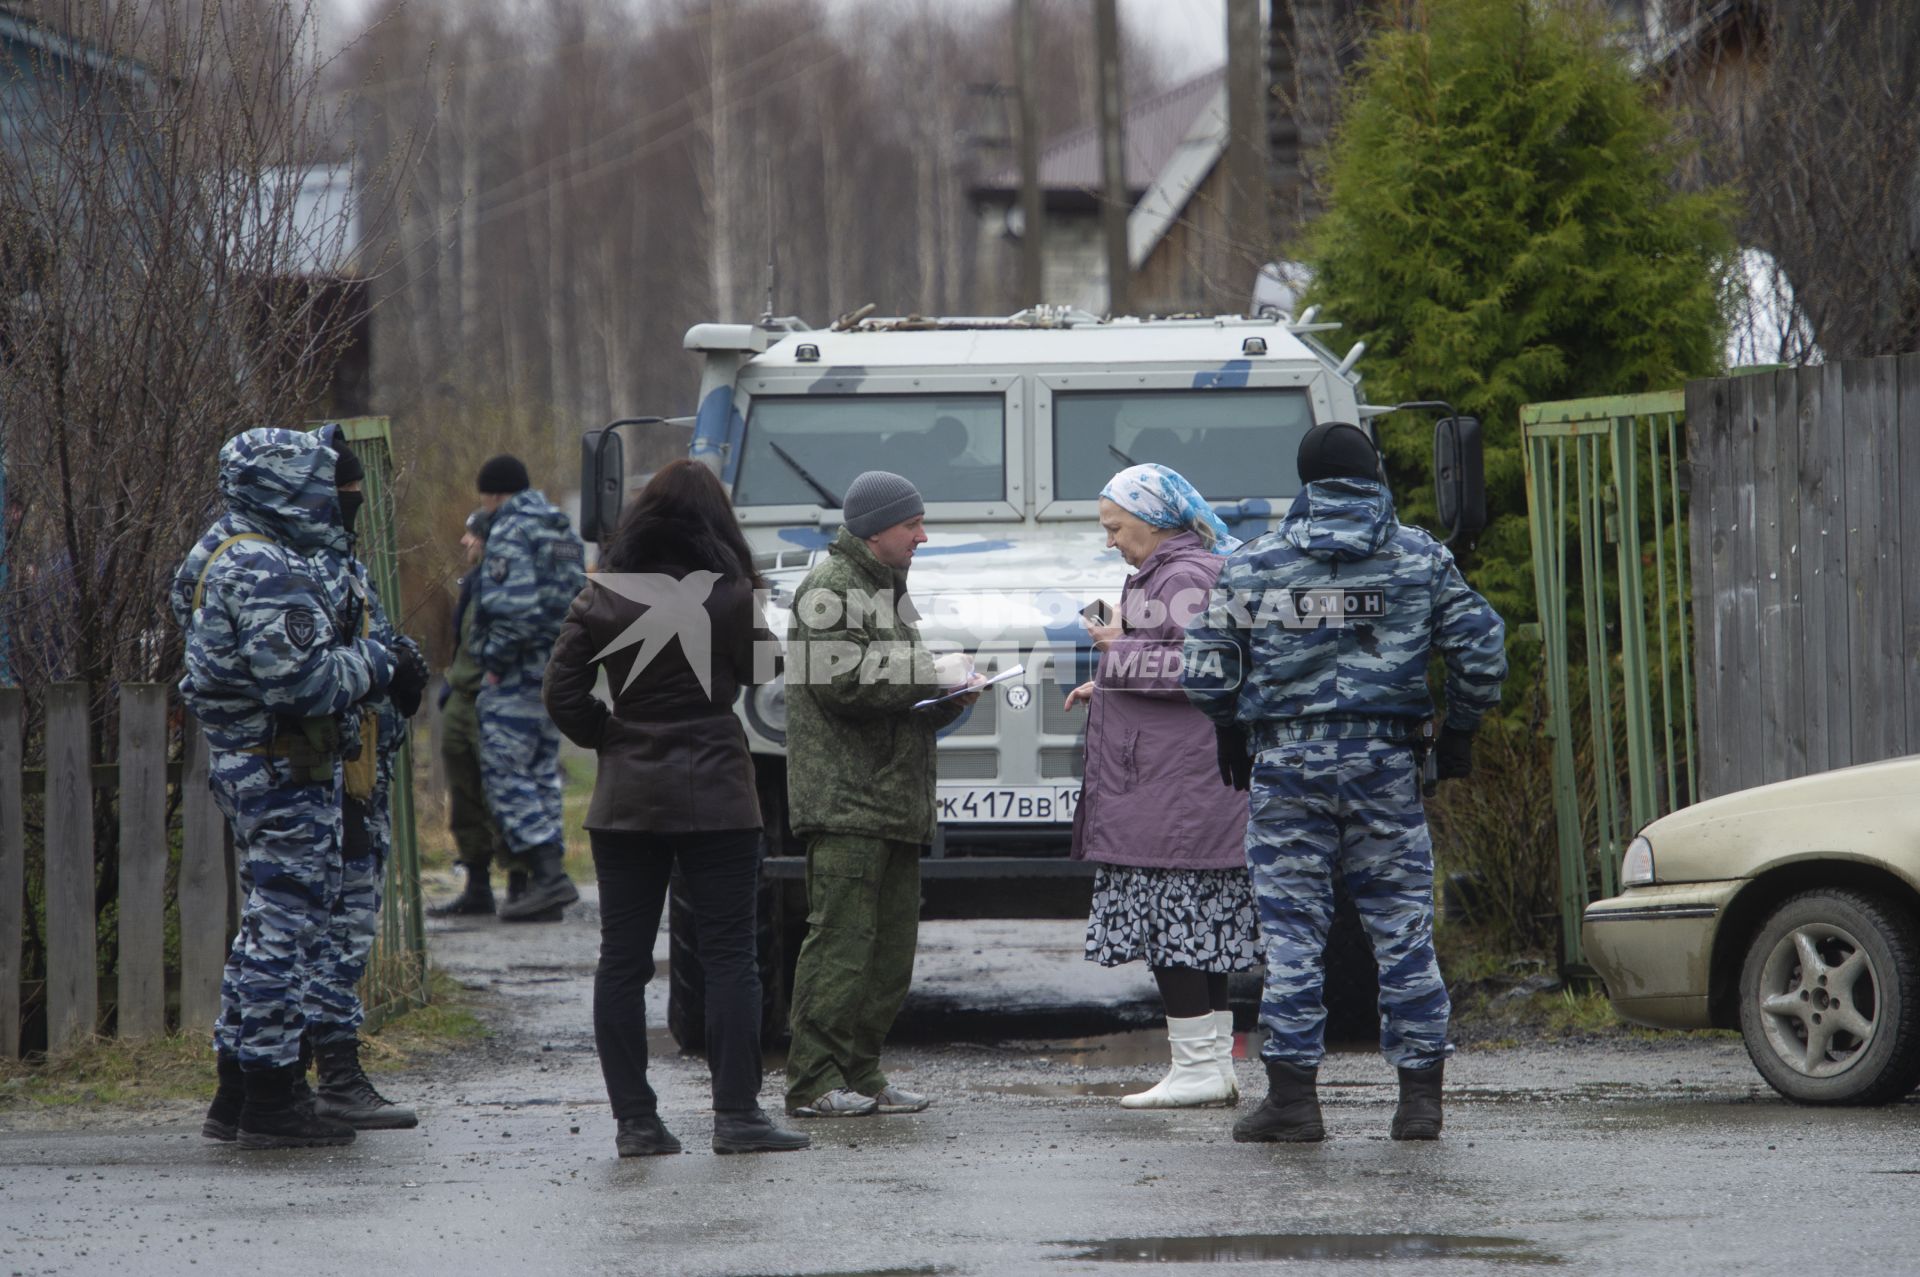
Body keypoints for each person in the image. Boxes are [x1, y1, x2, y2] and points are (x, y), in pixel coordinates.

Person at [1182, 422, 1507, 1143]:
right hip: (1385, 764)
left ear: (1306, 480)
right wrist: (1458, 732)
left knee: (1293, 938)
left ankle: (1294, 1100)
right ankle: (1420, 1099)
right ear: (1373, 474)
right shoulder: (1420, 556)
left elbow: (1206, 671)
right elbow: (1481, 650)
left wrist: (1229, 728)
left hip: (1288, 770)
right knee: (1402, 930)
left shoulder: (1255, 561)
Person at [544, 459, 809, 1157]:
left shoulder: (600, 595)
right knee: (729, 958)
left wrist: (613, 737)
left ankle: (635, 1122)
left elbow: (562, 693)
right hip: (718, 791)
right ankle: (737, 1116)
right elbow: (764, 670)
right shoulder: (727, 595)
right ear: (713, 522)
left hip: (626, 799)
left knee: (621, 962)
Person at [172, 428, 402, 1149]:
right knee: (285, 932)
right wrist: (377, 661)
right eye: (313, 486)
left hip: (253, 761)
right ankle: (272, 1096)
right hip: (282, 766)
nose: (328, 504)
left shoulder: (219, 551)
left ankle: (239, 1089)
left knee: (267, 926)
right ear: (281, 490)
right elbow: (302, 682)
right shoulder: (266, 567)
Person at [782, 470, 978, 1119]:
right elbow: (843, 683)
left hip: (893, 804)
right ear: (875, 530)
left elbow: (902, 701)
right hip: (847, 805)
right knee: (840, 943)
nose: (922, 536)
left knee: (888, 954)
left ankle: (862, 1072)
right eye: (911, 525)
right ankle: (812, 1081)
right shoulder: (829, 589)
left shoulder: (889, 593)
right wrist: (932, 671)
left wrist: (951, 697)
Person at [1065, 463, 1255, 1109]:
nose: (1110, 540)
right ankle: (1209, 1067)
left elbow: (1208, 666)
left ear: (1152, 517)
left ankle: (1201, 1069)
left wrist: (1115, 650)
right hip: (1178, 785)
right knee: (1197, 930)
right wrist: (1109, 679)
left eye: (1115, 527)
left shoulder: (1184, 574)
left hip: (1180, 792)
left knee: (1179, 928)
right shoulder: (1173, 570)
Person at [300, 423, 429, 1130]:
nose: (354, 502)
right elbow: (324, 668)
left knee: (336, 930)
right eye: (344, 492)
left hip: (359, 772)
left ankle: (308, 1075)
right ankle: (334, 1076)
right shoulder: (305, 566)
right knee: (335, 933)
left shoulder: (338, 559)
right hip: (331, 777)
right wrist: (385, 666)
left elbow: (365, 643)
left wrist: (398, 668)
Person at [468, 454, 587, 921]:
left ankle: (550, 876)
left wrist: (493, 660)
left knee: (507, 773)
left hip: (515, 675)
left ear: (495, 494)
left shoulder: (512, 531)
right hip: (555, 670)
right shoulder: (561, 530)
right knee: (541, 774)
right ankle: (546, 883)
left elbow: (514, 611)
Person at [428, 507, 555, 919]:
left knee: (501, 791)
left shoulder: (506, 586)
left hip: (493, 695)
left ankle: (521, 883)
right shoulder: (475, 583)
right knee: (464, 795)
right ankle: (477, 884)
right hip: (462, 696)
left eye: (473, 536)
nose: (465, 542)